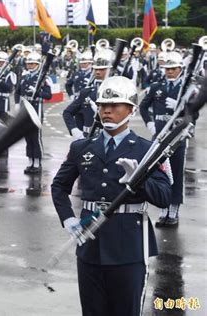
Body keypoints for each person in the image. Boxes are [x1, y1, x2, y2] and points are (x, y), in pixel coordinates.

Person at [51, 76, 171, 316]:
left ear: (131, 109)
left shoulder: (147, 150)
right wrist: (68, 219)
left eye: (114, 105)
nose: (106, 110)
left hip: (128, 245)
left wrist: (140, 179)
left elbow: (164, 197)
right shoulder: (82, 147)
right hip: (90, 245)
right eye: (102, 105)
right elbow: (59, 187)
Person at [139, 51, 193, 227]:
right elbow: (143, 106)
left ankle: (173, 211)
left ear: (180, 69)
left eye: (173, 68)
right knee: (161, 173)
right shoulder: (157, 87)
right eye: (167, 68)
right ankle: (163, 210)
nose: (169, 71)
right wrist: (149, 124)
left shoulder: (186, 90)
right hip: (159, 136)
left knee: (176, 173)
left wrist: (181, 108)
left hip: (177, 136)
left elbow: (195, 113)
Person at [63, 49, 112, 140]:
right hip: (88, 138)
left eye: (102, 69)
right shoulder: (86, 92)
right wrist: (75, 130)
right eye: (96, 69)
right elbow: (67, 112)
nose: (97, 72)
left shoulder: (116, 92)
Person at [15, 52, 52, 174]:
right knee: (27, 137)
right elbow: (17, 92)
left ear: (38, 65)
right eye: (29, 63)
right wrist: (16, 104)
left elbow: (48, 95)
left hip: (36, 109)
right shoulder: (24, 77)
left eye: (33, 64)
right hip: (25, 109)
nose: (30, 65)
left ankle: (37, 162)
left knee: (35, 137)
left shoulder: (42, 78)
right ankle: (30, 160)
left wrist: (38, 93)